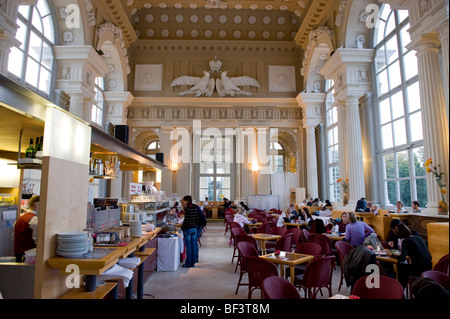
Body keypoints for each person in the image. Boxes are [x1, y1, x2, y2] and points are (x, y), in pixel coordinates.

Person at [386, 224, 432, 288]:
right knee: (403, 268)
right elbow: (430, 256)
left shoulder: (406, 241)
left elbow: (402, 258)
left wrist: (391, 255)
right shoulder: (419, 238)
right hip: (429, 267)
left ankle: (400, 289)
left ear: (399, 233)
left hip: (418, 269)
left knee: (400, 269)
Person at [14, 195, 39, 262]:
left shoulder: (21, 218)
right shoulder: (34, 219)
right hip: (28, 255)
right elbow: (37, 240)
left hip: (18, 253)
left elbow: (13, 235)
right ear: (36, 204)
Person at [180, 195, 199, 268]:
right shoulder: (195, 207)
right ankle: (193, 262)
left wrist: (182, 227)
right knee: (193, 245)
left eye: (184, 200)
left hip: (187, 229)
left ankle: (188, 263)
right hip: (194, 228)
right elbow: (196, 218)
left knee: (188, 247)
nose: (183, 202)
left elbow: (186, 220)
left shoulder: (187, 208)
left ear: (187, 201)